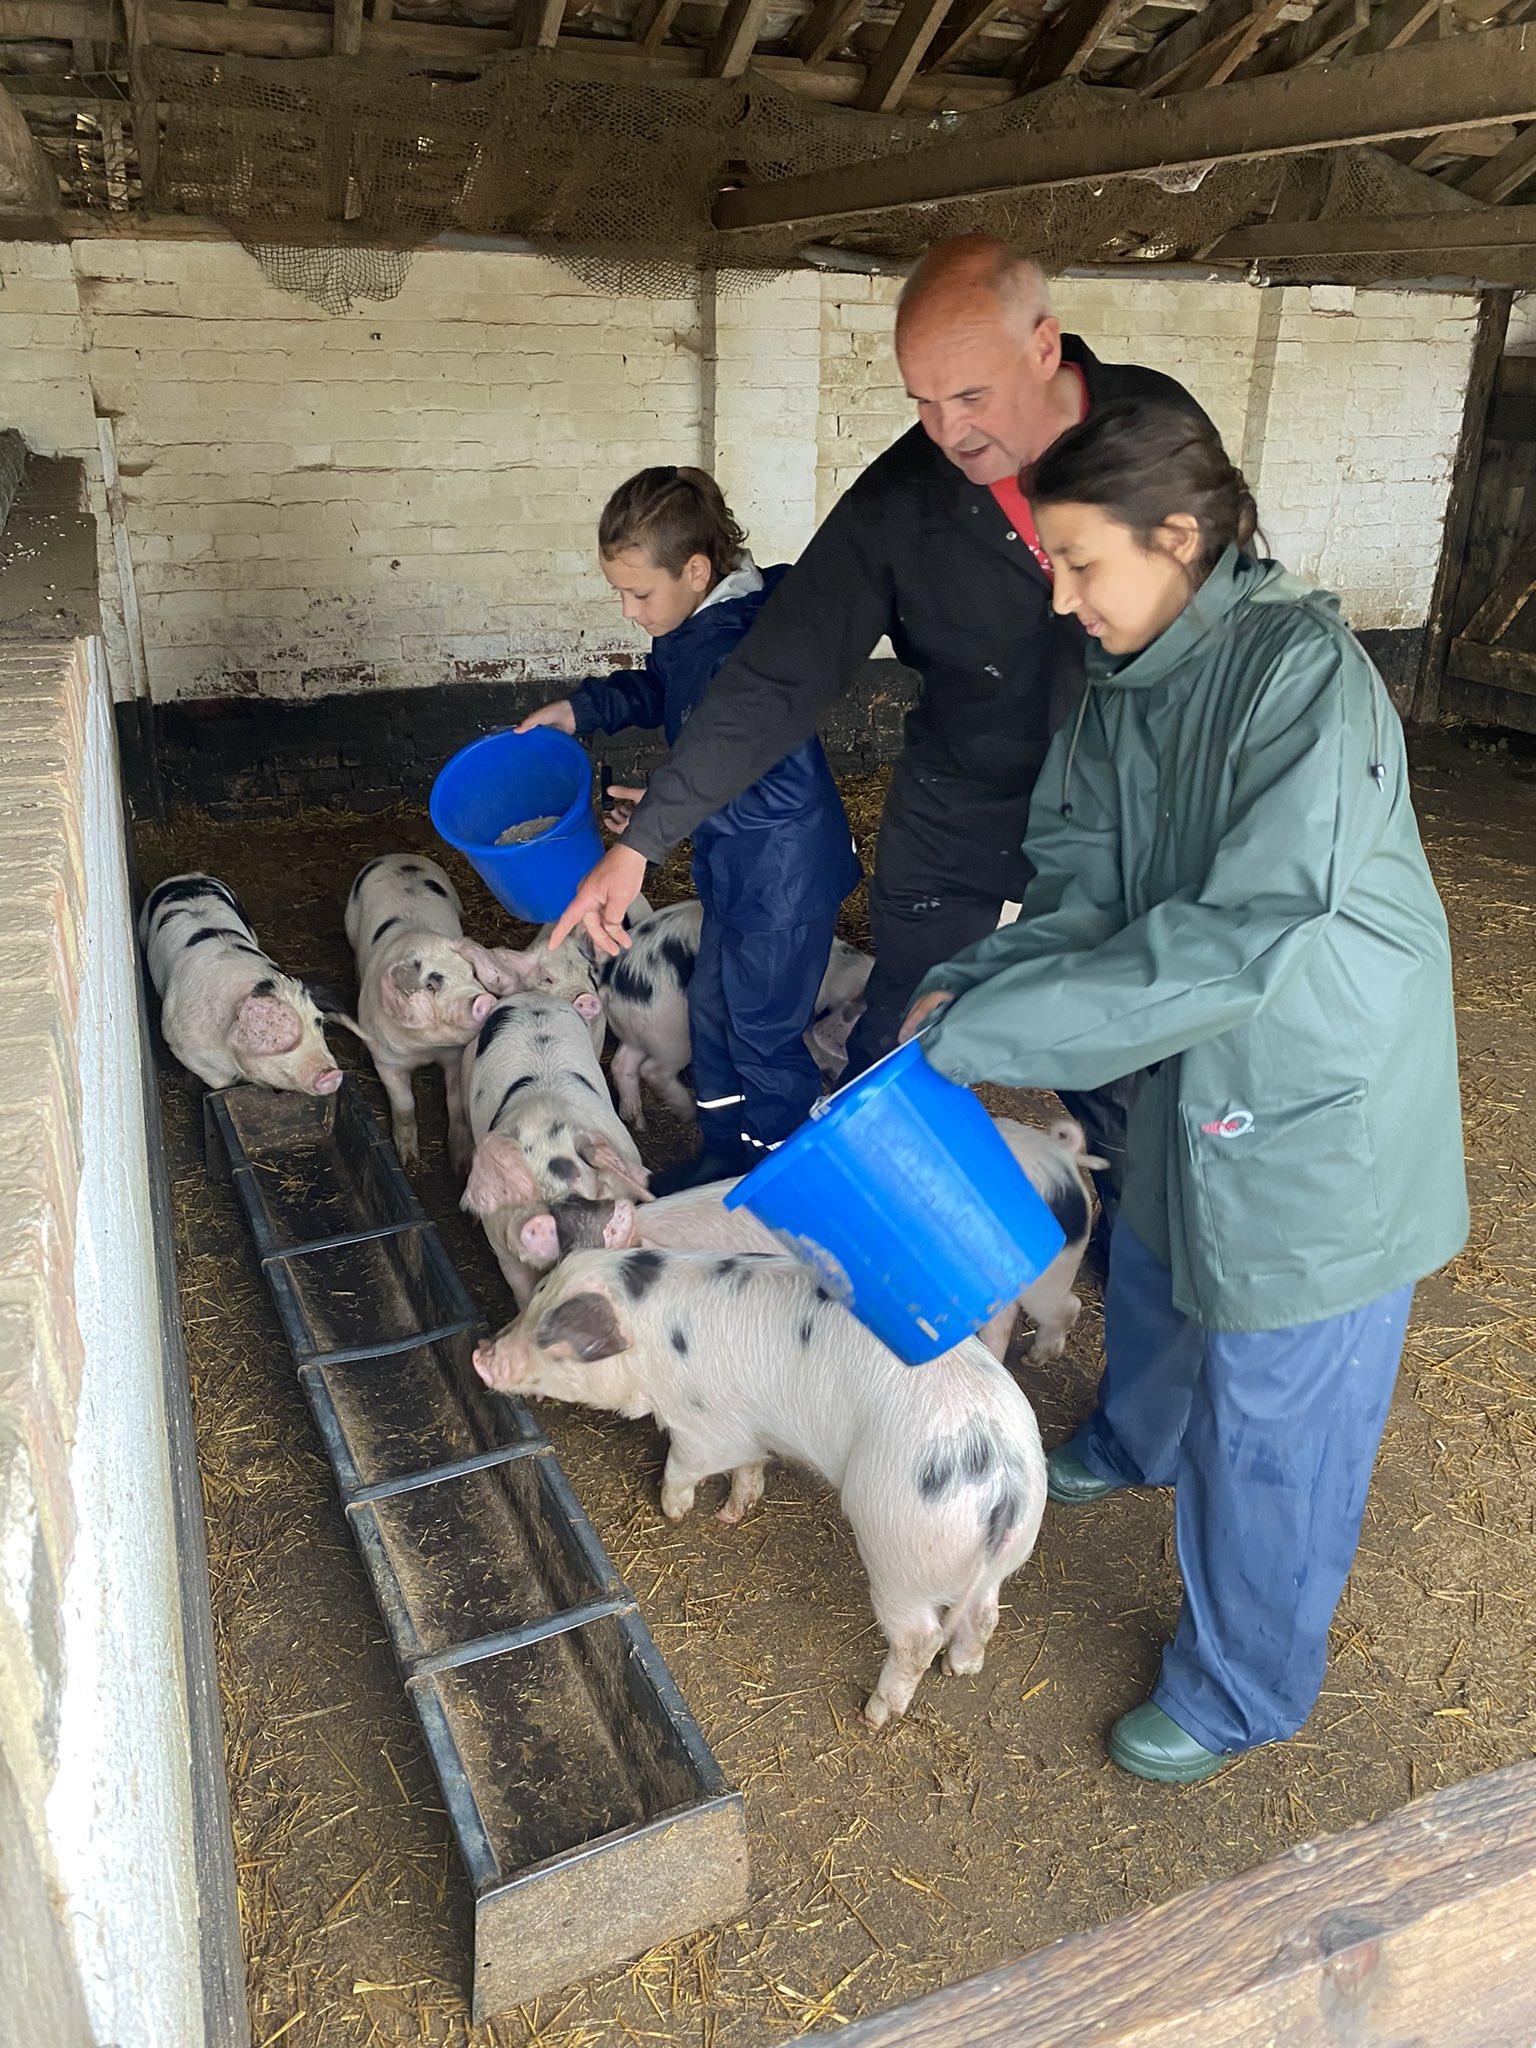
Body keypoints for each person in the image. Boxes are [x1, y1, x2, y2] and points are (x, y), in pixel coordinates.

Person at [900, 401, 1469, 1784]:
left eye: (1080, 563)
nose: (1061, 597)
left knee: (1278, 1411)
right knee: (1154, 1244)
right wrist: (965, 984)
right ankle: (1137, 1434)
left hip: (1319, 1083)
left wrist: (994, 1032)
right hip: (1191, 1056)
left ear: (1176, 537)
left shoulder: (1305, 679)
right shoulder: (1124, 677)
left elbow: (1237, 938)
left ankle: (1241, 1685)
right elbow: (1082, 890)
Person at [549, 236, 1212, 1236]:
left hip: (1123, 788)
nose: (946, 430)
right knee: (905, 1013)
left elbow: (1228, 623)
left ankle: (1131, 1220)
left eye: (970, 395)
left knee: (1117, 1020)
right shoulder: (907, 496)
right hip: (963, 788)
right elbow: (783, 669)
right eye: (922, 400)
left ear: (1044, 348)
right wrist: (644, 842)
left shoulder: (1155, 430)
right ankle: (857, 1225)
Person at [517, 465, 859, 1192]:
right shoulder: (696, 630)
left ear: (696, 571)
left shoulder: (740, 649)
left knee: (763, 1033)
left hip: (784, 876)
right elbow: (661, 688)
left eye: (639, 593)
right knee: (712, 1009)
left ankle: (777, 1181)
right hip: (737, 870)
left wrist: (665, 815)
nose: (628, 609)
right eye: (619, 592)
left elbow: (780, 788)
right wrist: (582, 710)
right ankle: (725, 1153)